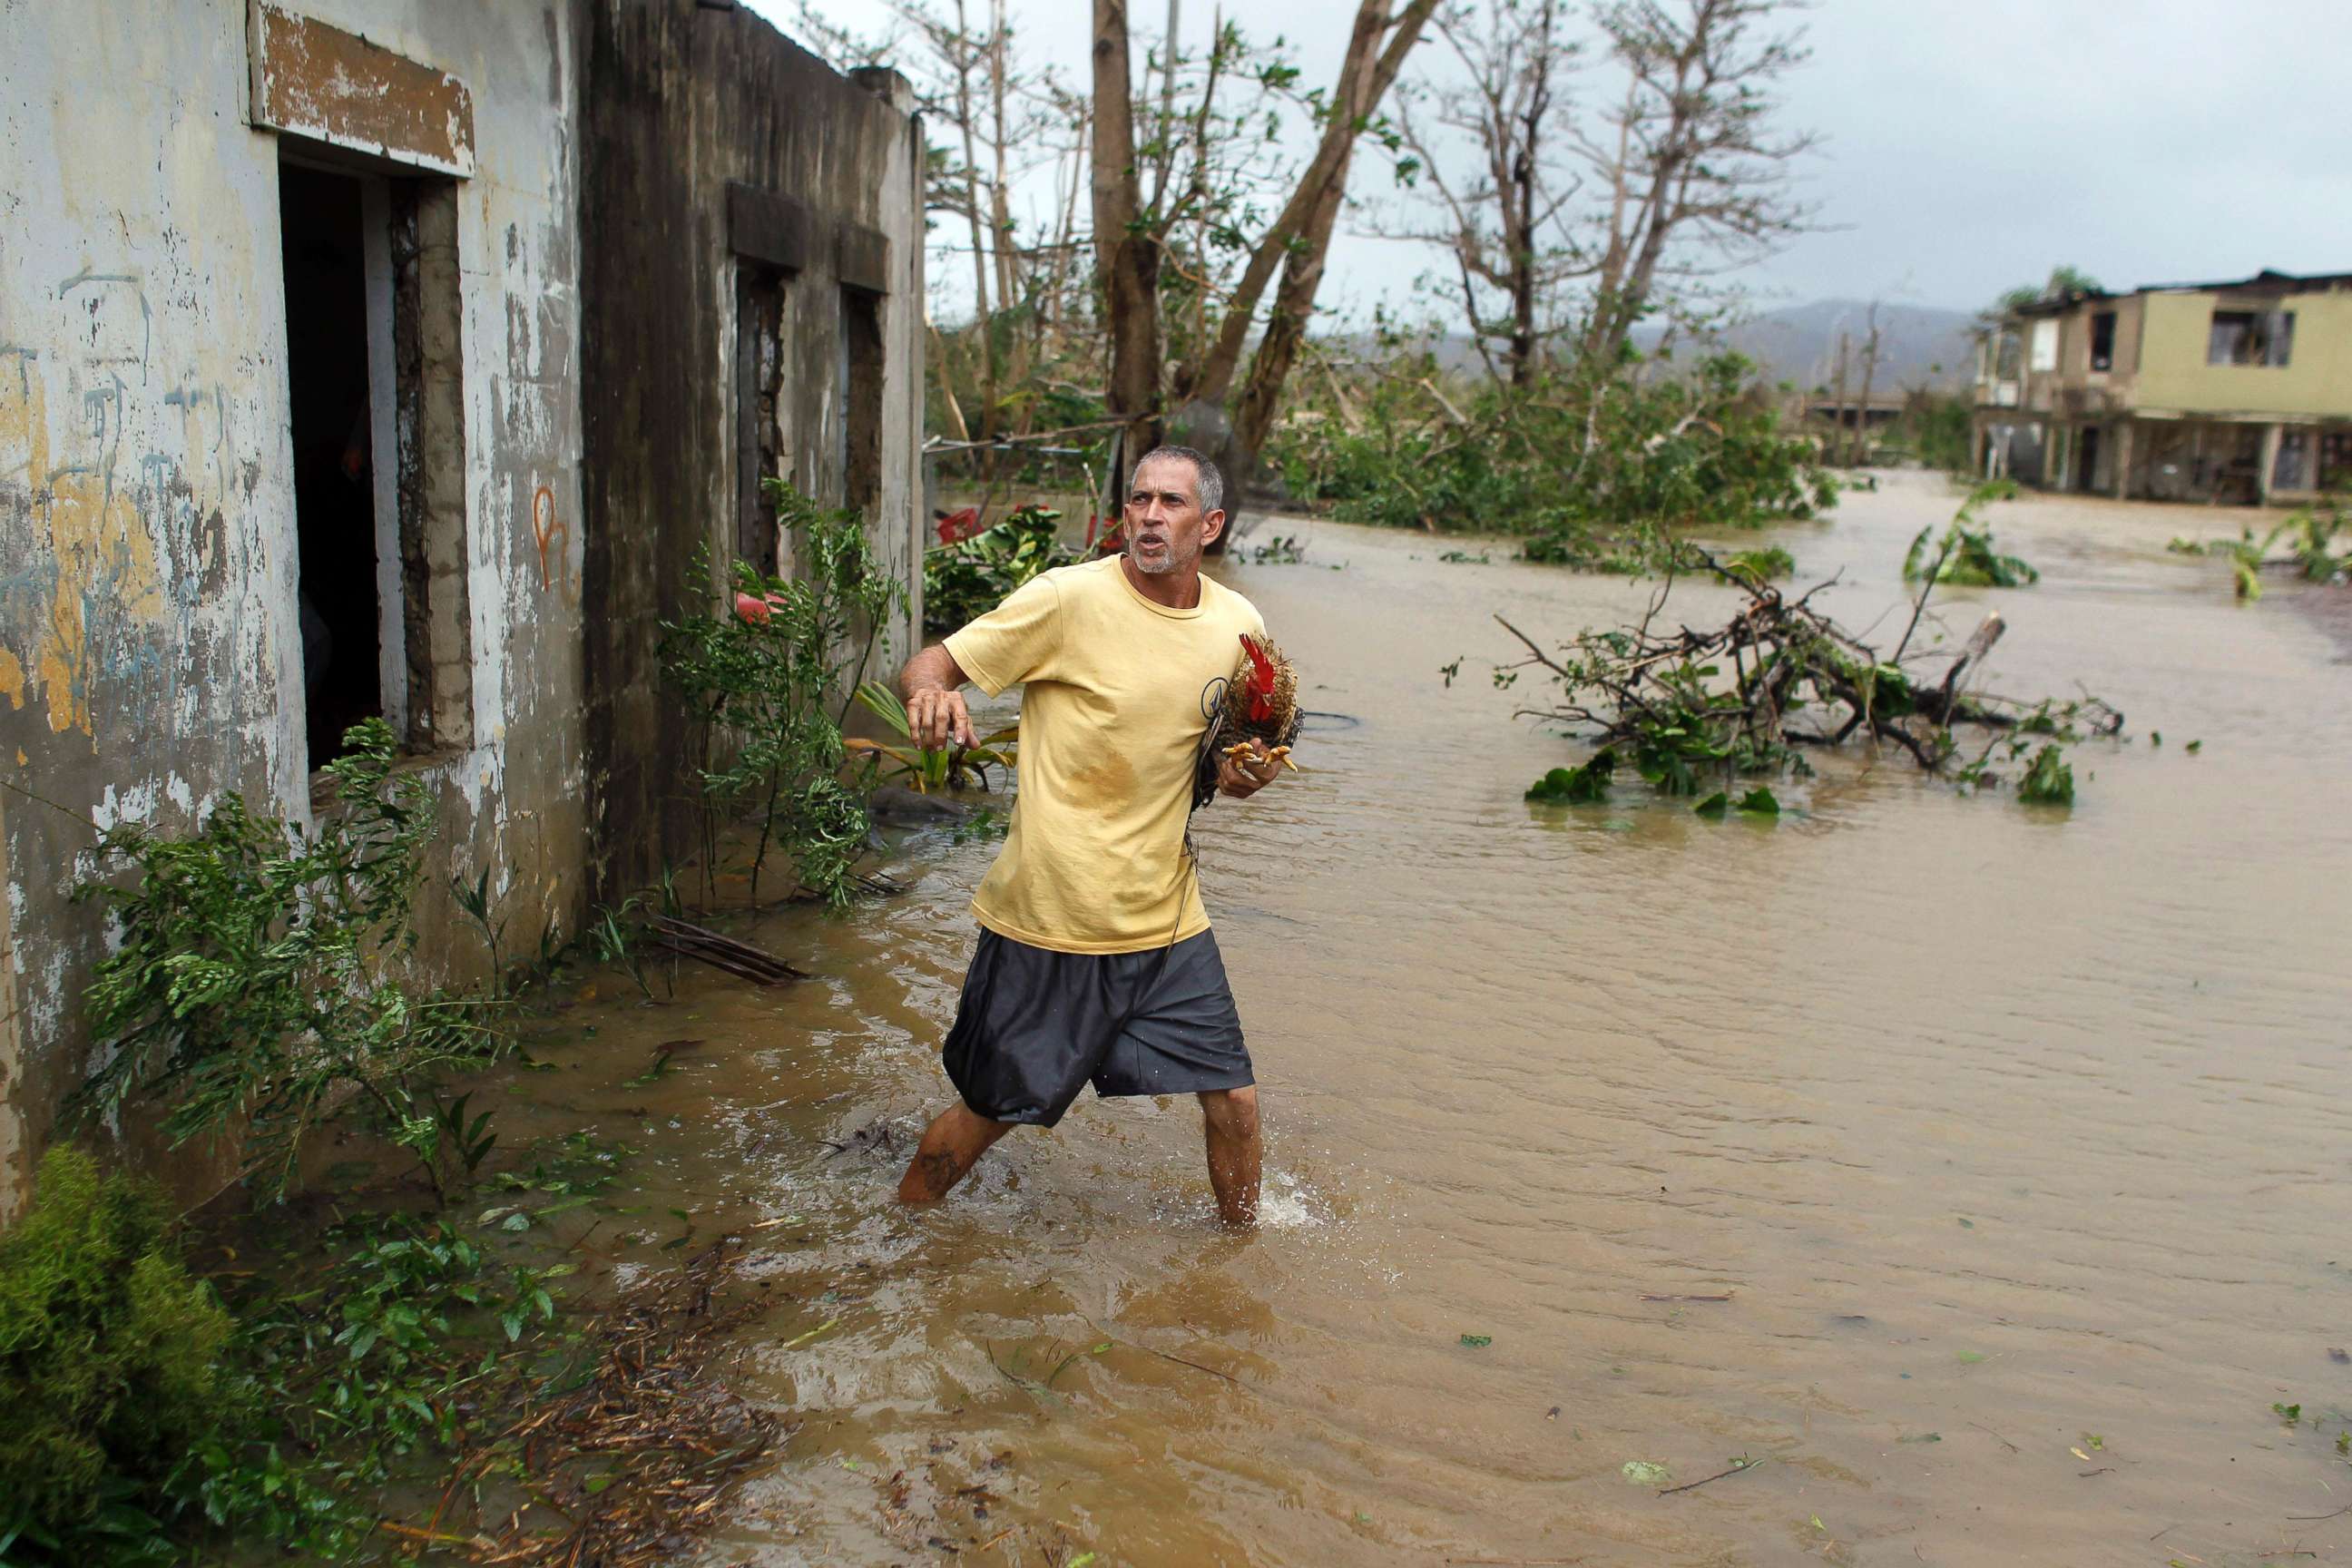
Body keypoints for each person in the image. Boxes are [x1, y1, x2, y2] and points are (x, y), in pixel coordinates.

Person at [894, 446, 1287, 1226]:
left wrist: (1253, 770)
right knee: (992, 1110)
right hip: (1053, 916)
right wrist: (932, 694)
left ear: (1209, 525)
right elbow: (936, 662)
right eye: (1138, 499)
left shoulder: (1239, 625)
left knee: (1235, 1100)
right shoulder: (1066, 600)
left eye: (1170, 503)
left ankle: (1240, 1260)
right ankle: (898, 1229)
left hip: (1167, 916)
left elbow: (1250, 743)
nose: (1147, 515)